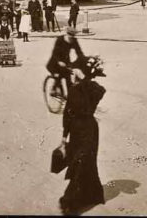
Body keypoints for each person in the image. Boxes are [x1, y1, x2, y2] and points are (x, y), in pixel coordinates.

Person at [58, 59, 106, 215]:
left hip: (88, 132)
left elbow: (100, 91)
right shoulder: (79, 89)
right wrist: (64, 137)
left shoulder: (88, 89)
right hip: (79, 132)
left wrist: (84, 79)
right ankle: (89, 196)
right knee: (82, 163)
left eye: (74, 72)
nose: (71, 75)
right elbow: (67, 114)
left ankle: (69, 201)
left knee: (82, 163)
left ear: (80, 74)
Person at [45, 27, 85, 98]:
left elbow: (79, 52)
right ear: (66, 33)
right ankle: (53, 89)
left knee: (68, 78)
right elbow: (55, 53)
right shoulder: (60, 39)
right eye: (70, 35)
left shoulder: (74, 40)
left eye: (73, 35)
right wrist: (59, 61)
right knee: (58, 75)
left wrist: (84, 59)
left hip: (66, 62)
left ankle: (69, 96)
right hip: (54, 62)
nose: (71, 37)